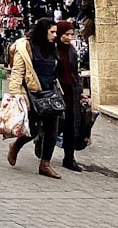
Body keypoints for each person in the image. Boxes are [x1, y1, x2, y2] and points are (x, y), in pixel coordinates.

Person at [6, 18, 63, 179]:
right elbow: (17, 72)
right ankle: (16, 146)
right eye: (52, 32)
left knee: (52, 130)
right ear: (42, 31)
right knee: (32, 129)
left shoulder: (52, 47)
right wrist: (15, 94)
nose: (54, 35)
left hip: (50, 93)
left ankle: (45, 164)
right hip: (32, 94)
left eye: (55, 32)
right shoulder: (25, 47)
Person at [56, 20, 85, 172]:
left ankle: (69, 158)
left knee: (71, 126)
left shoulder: (72, 51)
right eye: (66, 34)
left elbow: (75, 73)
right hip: (56, 92)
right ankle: (41, 147)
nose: (69, 37)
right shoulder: (52, 49)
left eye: (71, 34)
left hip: (71, 91)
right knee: (55, 124)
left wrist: (80, 93)